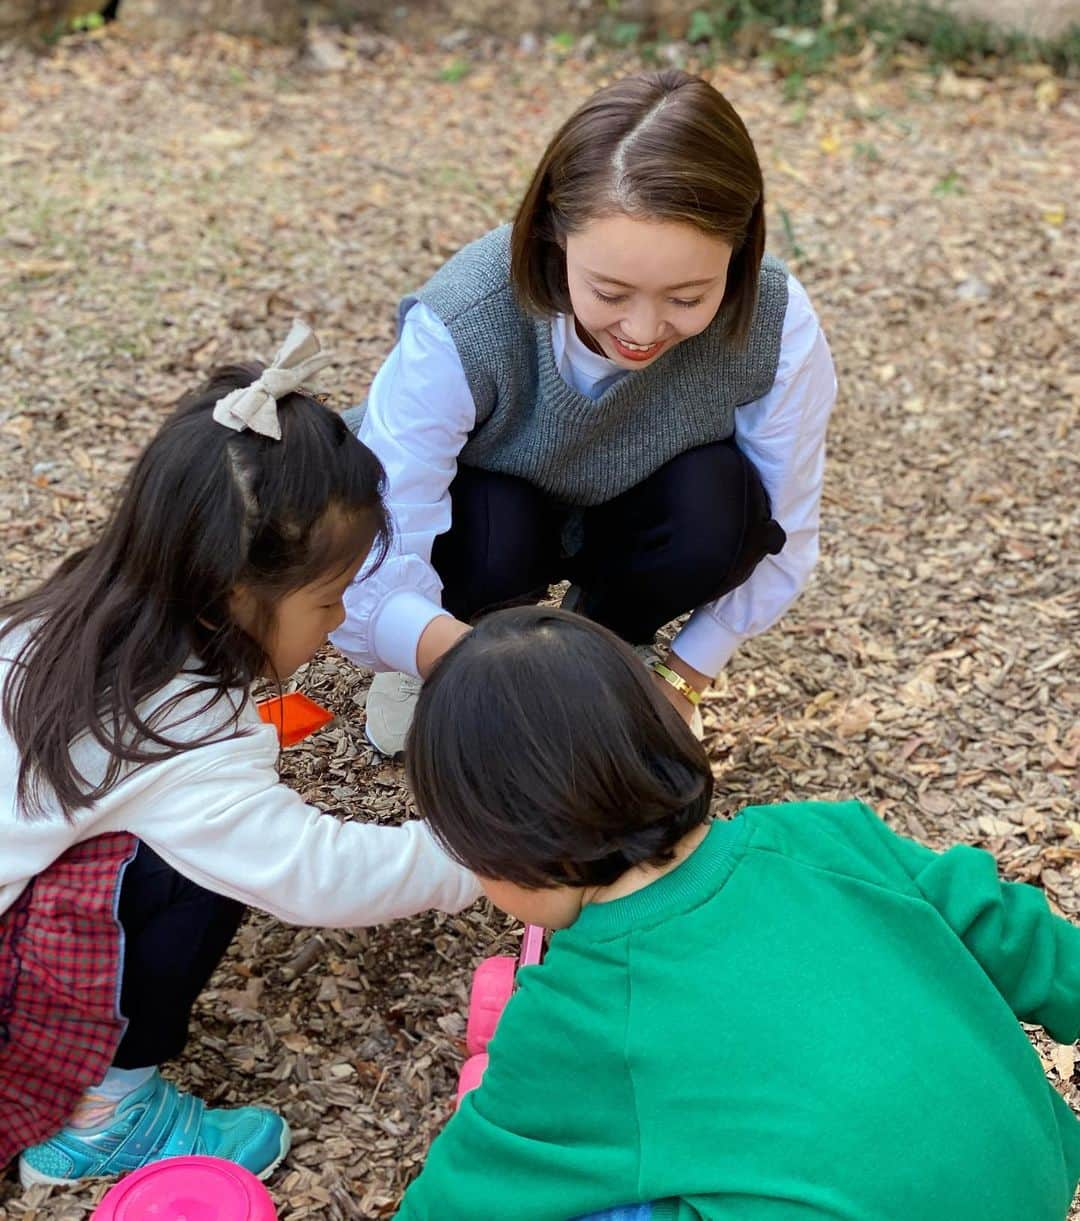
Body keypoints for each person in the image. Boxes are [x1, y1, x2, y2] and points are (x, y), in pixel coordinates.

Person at [397, 607, 1080, 1220]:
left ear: (515, 846)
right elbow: (1014, 930)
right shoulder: (828, 835)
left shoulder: (578, 1011)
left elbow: (469, 1184)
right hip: (1029, 1170)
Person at [0, 324, 479, 1189]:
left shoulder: (75, 618)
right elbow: (311, 869)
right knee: (190, 866)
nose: (338, 625)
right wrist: (485, 852)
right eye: (329, 601)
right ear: (230, 594)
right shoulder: (171, 730)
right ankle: (106, 1117)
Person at [333, 68, 837, 755]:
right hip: (484, 525)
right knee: (491, 521)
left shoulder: (776, 321)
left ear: (741, 247)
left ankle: (609, 636)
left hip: (637, 513)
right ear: (554, 236)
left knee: (724, 502)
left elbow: (787, 529)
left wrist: (683, 681)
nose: (641, 327)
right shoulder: (468, 316)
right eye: (610, 290)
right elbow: (386, 523)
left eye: (687, 297)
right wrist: (454, 661)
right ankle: (451, 641)